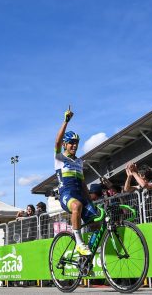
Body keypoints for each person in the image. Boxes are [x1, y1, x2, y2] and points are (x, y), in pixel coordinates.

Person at [53, 108, 97, 255]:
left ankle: (85, 259)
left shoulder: (79, 161)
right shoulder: (60, 158)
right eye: (71, 142)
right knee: (76, 205)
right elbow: (57, 142)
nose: (75, 145)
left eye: (76, 143)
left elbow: (83, 183)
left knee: (97, 224)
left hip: (81, 195)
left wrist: (90, 201)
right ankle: (79, 243)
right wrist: (66, 121)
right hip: (67, 194)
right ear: (65, 144)